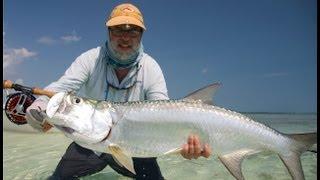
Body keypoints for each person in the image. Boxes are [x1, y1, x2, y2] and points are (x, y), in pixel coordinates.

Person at [26, 3, 211, 180]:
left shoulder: (151, 67)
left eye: (133, 31)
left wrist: (182, 144)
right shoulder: (90, 59)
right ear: (109, 32)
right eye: (119, 29)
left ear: (141, 35)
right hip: (90, 143)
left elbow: (166, 114)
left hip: (136, 147)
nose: (125, 37)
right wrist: (41, 104)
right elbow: (62, 87)